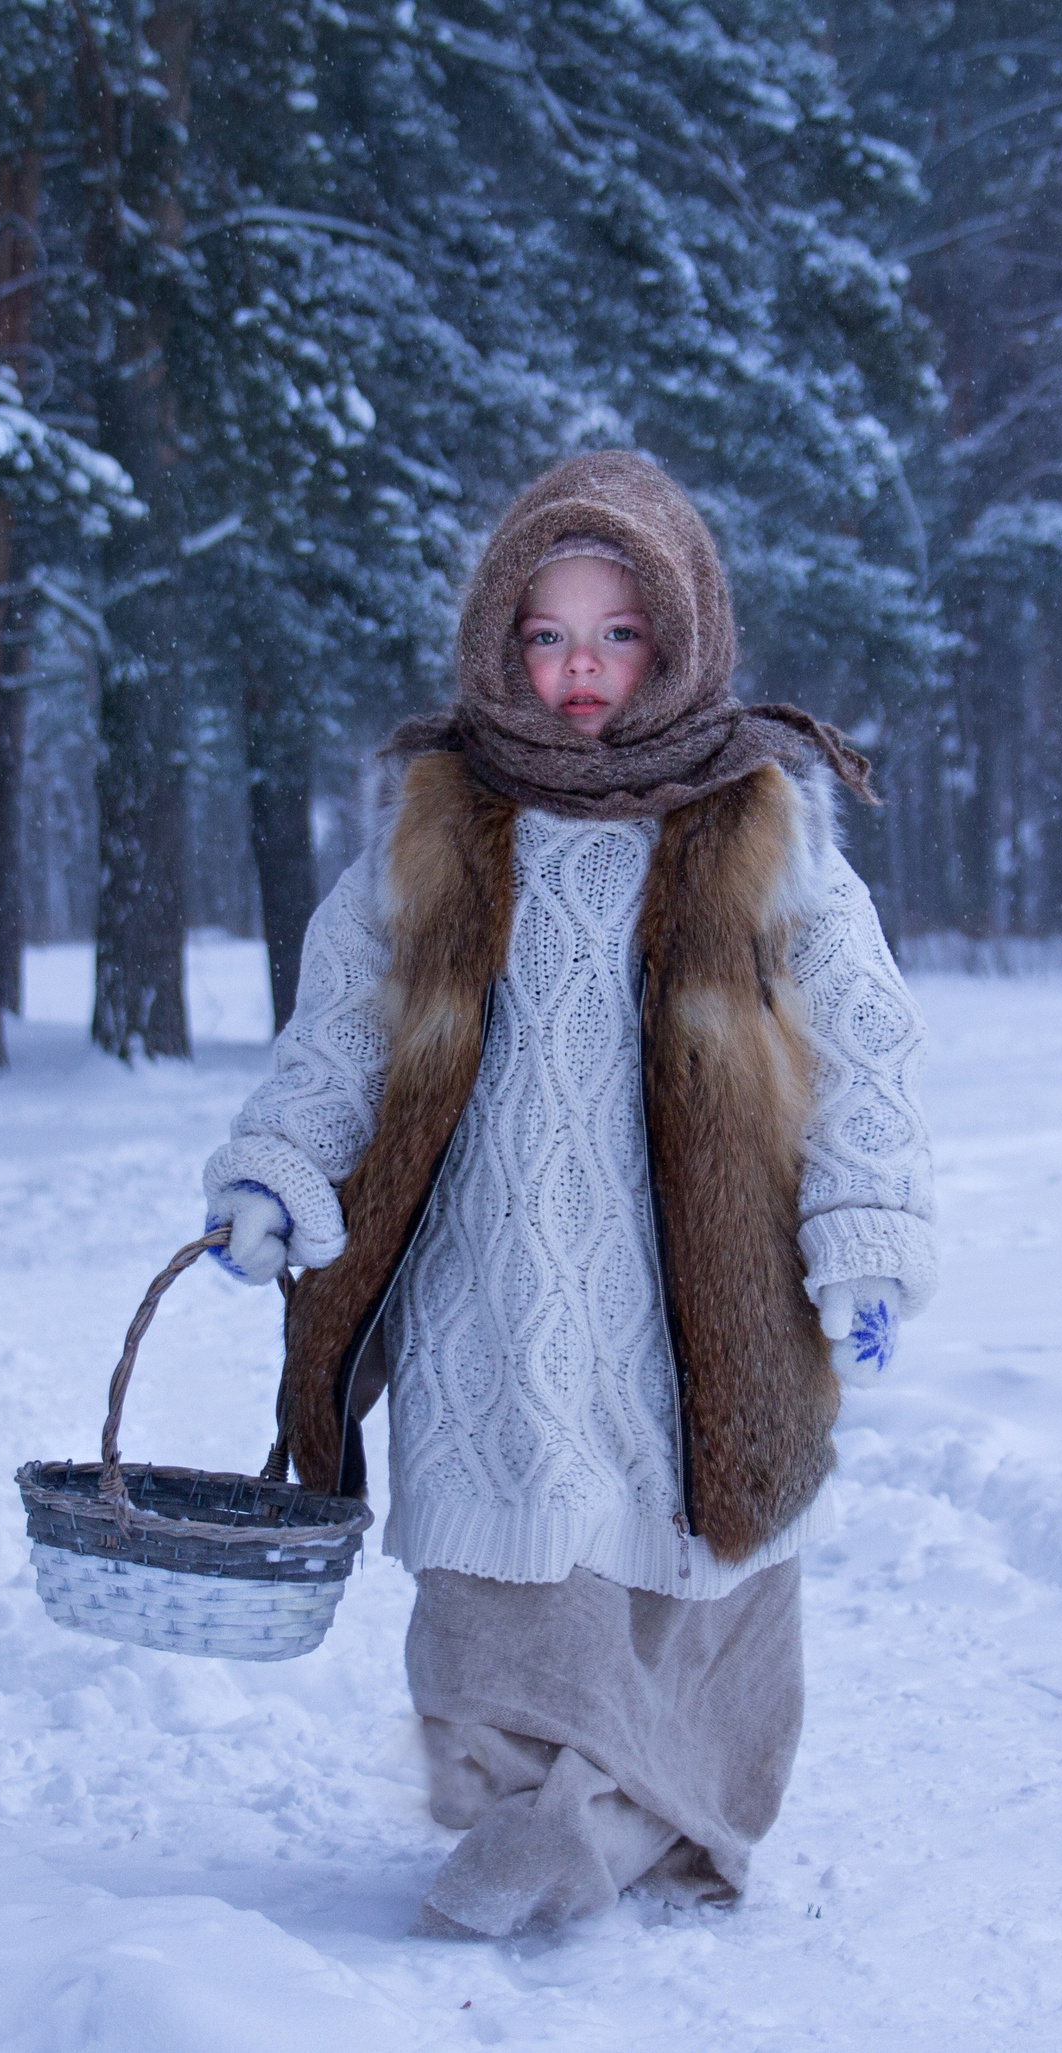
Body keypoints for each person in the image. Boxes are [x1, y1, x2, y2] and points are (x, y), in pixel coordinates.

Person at [199, 449, 936, 1938]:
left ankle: (639, 1816)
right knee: (500, 1595)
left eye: (616, 635)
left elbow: (863, 1050)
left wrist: (858, 1238)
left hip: (695, 1298)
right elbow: (342, 1029)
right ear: (498, 641)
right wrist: (279, 1163)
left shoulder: (755, 824)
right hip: (492, 1288)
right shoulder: (446, 826)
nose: (579, 670)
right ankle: (549, 1812)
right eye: (547, 635)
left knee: (682, 1573)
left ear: (678, 639)